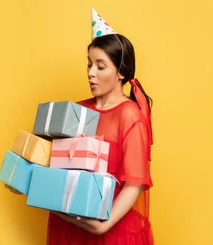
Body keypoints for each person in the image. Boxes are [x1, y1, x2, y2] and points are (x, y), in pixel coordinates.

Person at [45, 9, 154, 244]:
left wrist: (104, 225)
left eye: (100, 66)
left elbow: (135, 183)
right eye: (89, 64)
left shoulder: (129, 114)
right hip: (72, 224)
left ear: (121, 72)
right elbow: (59, 162)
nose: (90, 73)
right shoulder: (77, 109)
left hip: (112, 227)